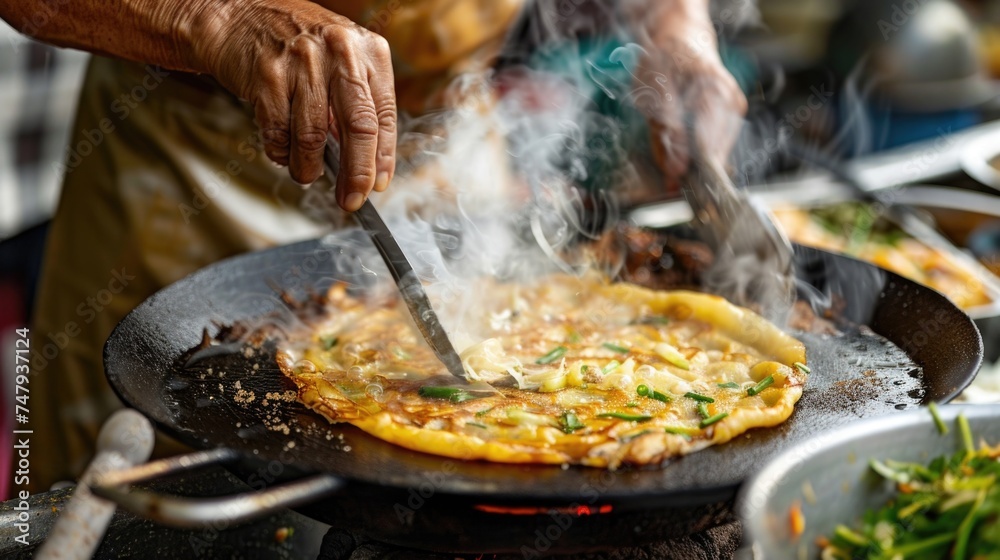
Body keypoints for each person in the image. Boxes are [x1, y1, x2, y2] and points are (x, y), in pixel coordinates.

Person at [0, 0, 747, 492]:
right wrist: (217, 18)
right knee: (153, 493)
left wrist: (676, 27)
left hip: (445, 144)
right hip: (191, 164)